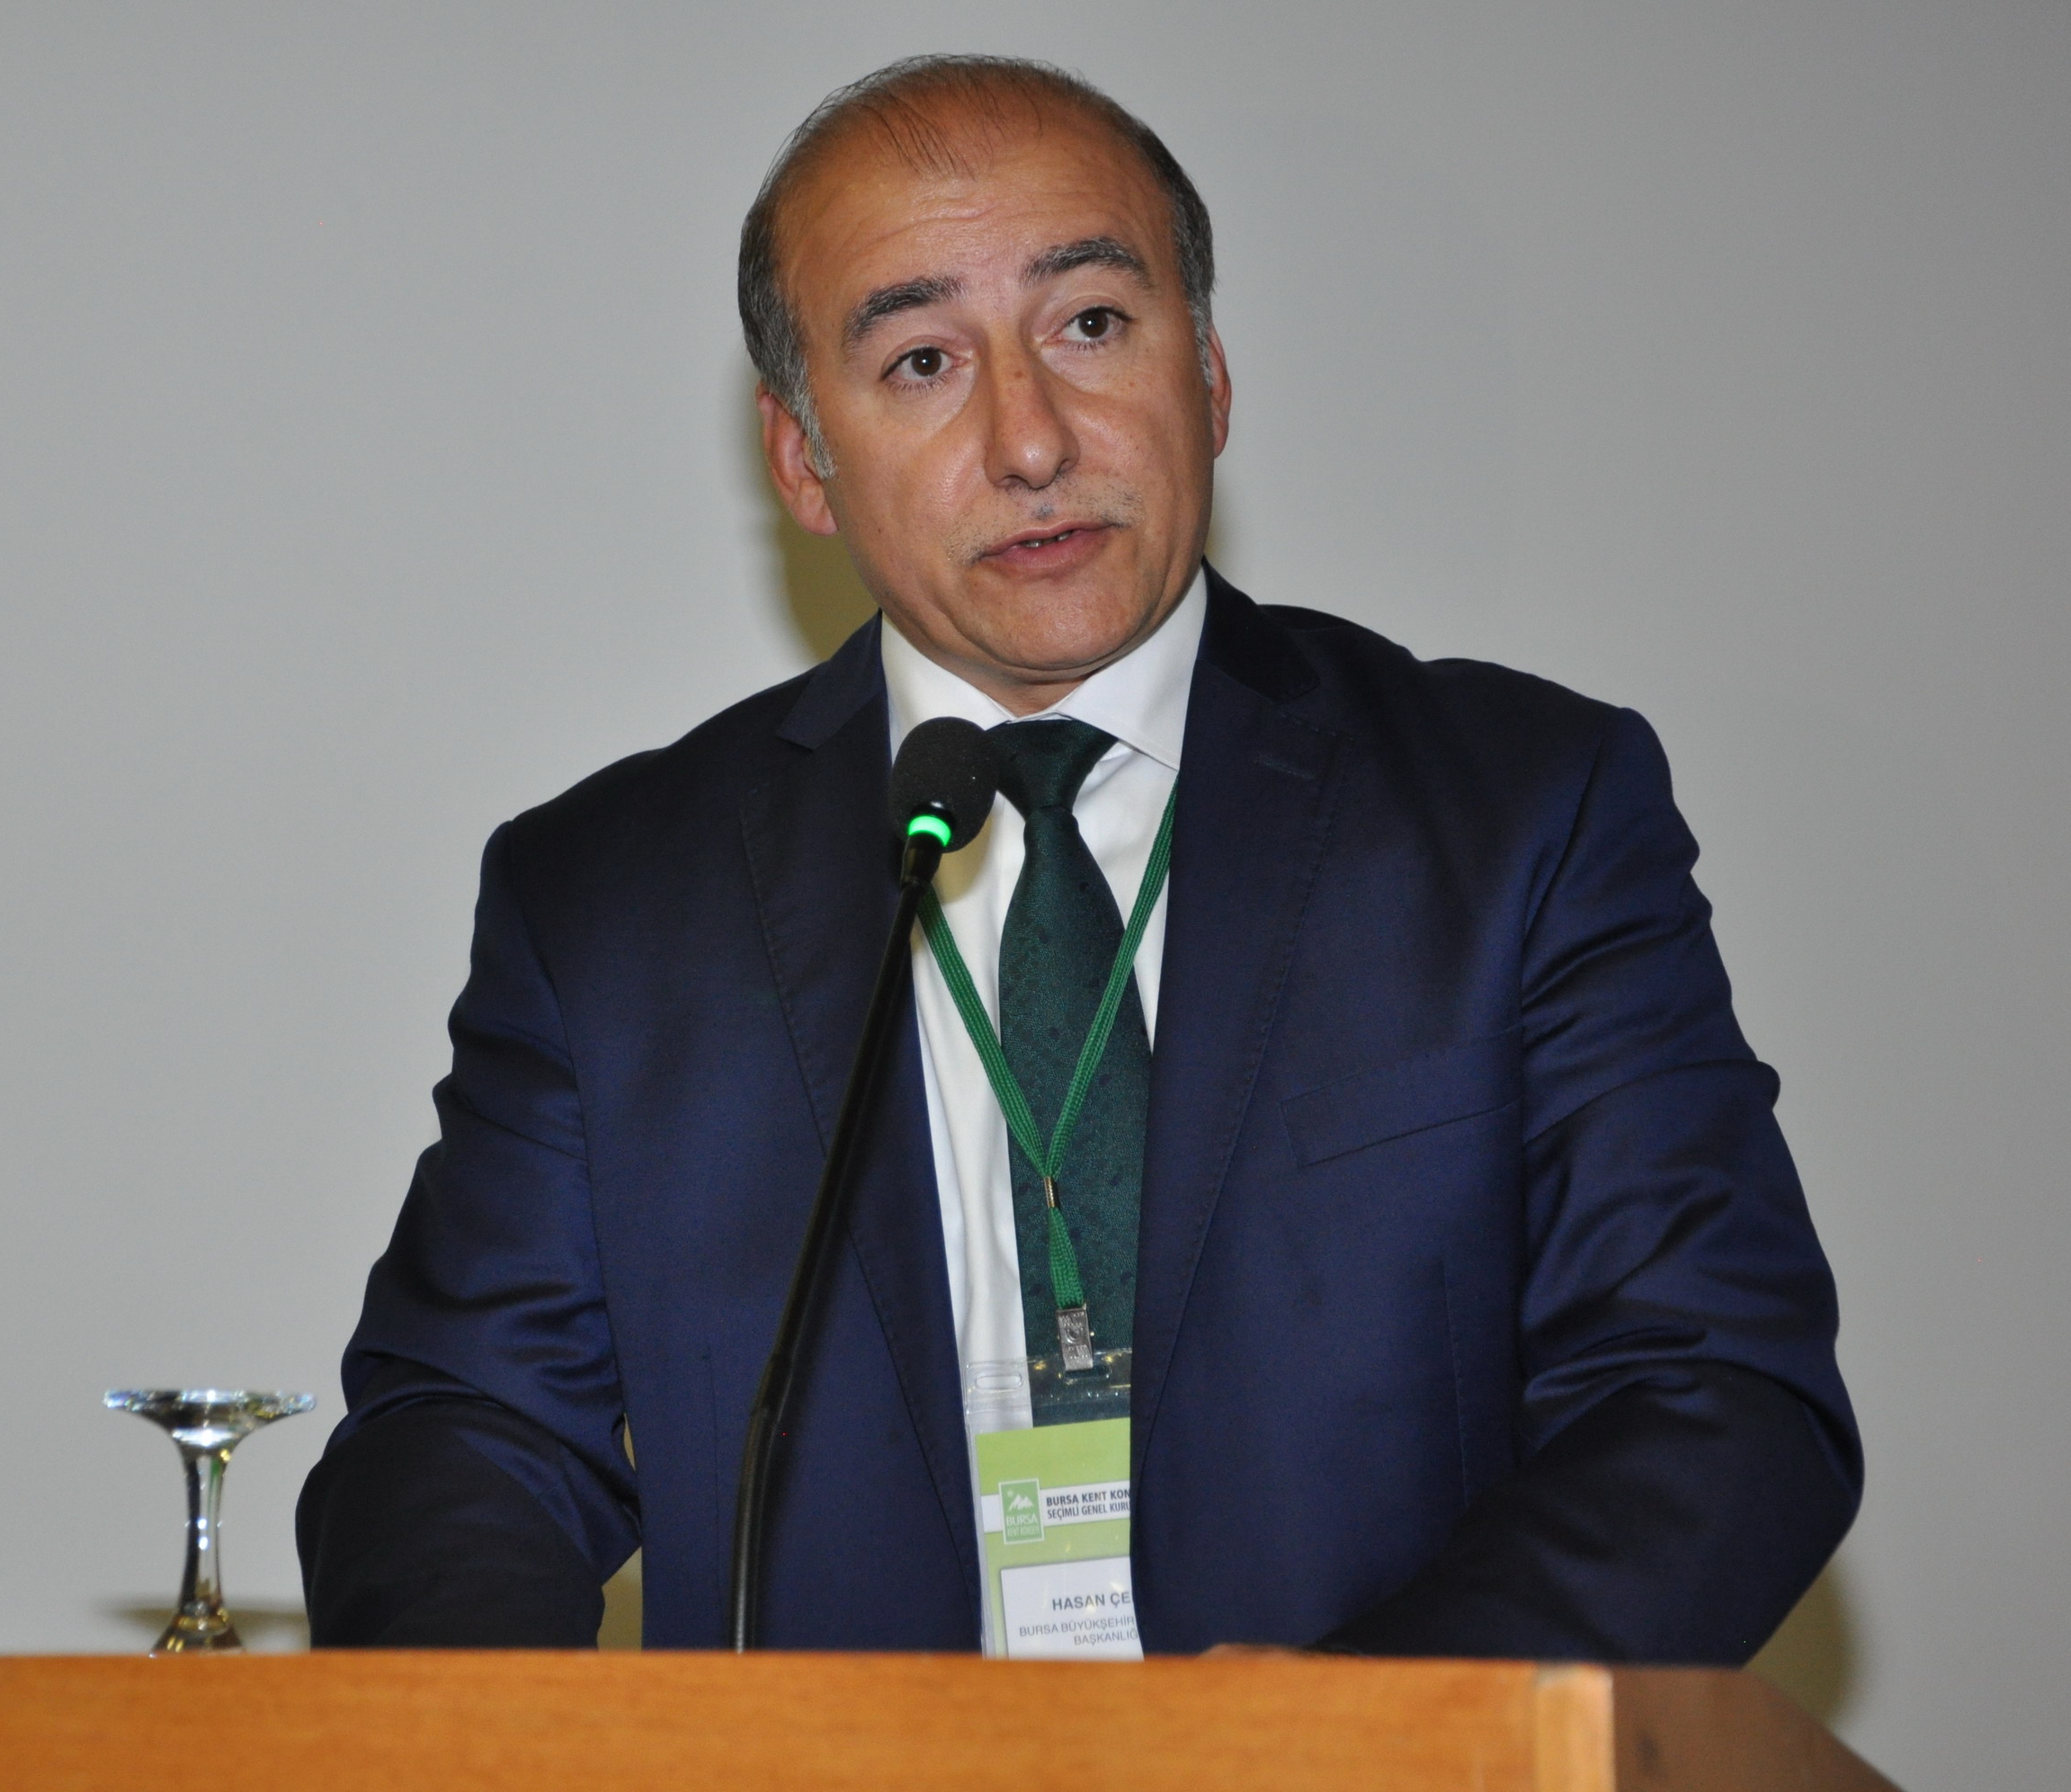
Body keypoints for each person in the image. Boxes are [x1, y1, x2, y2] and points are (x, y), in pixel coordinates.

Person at [297, 54, 1859, 1658]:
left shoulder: (1516, 813)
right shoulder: (609, 903)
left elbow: (1714, 1396)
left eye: (1093, 324)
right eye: (920, 360)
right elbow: (460, 1440)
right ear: (803, 460)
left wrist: (1342, 1751)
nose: (1031, 439)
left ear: (1213, 374)